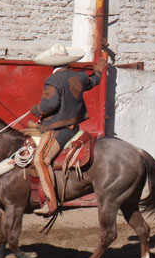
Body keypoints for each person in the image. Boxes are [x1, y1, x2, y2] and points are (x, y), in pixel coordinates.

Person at [31, 44, 107, 216]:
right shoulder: (80, 76)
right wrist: (98, 72)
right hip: (74, 128)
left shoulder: (53, 80)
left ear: (52, 63)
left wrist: (35, 110)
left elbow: (50, 105)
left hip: (58, 129)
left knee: (41, 160)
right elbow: (93, 81)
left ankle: (51, 203)